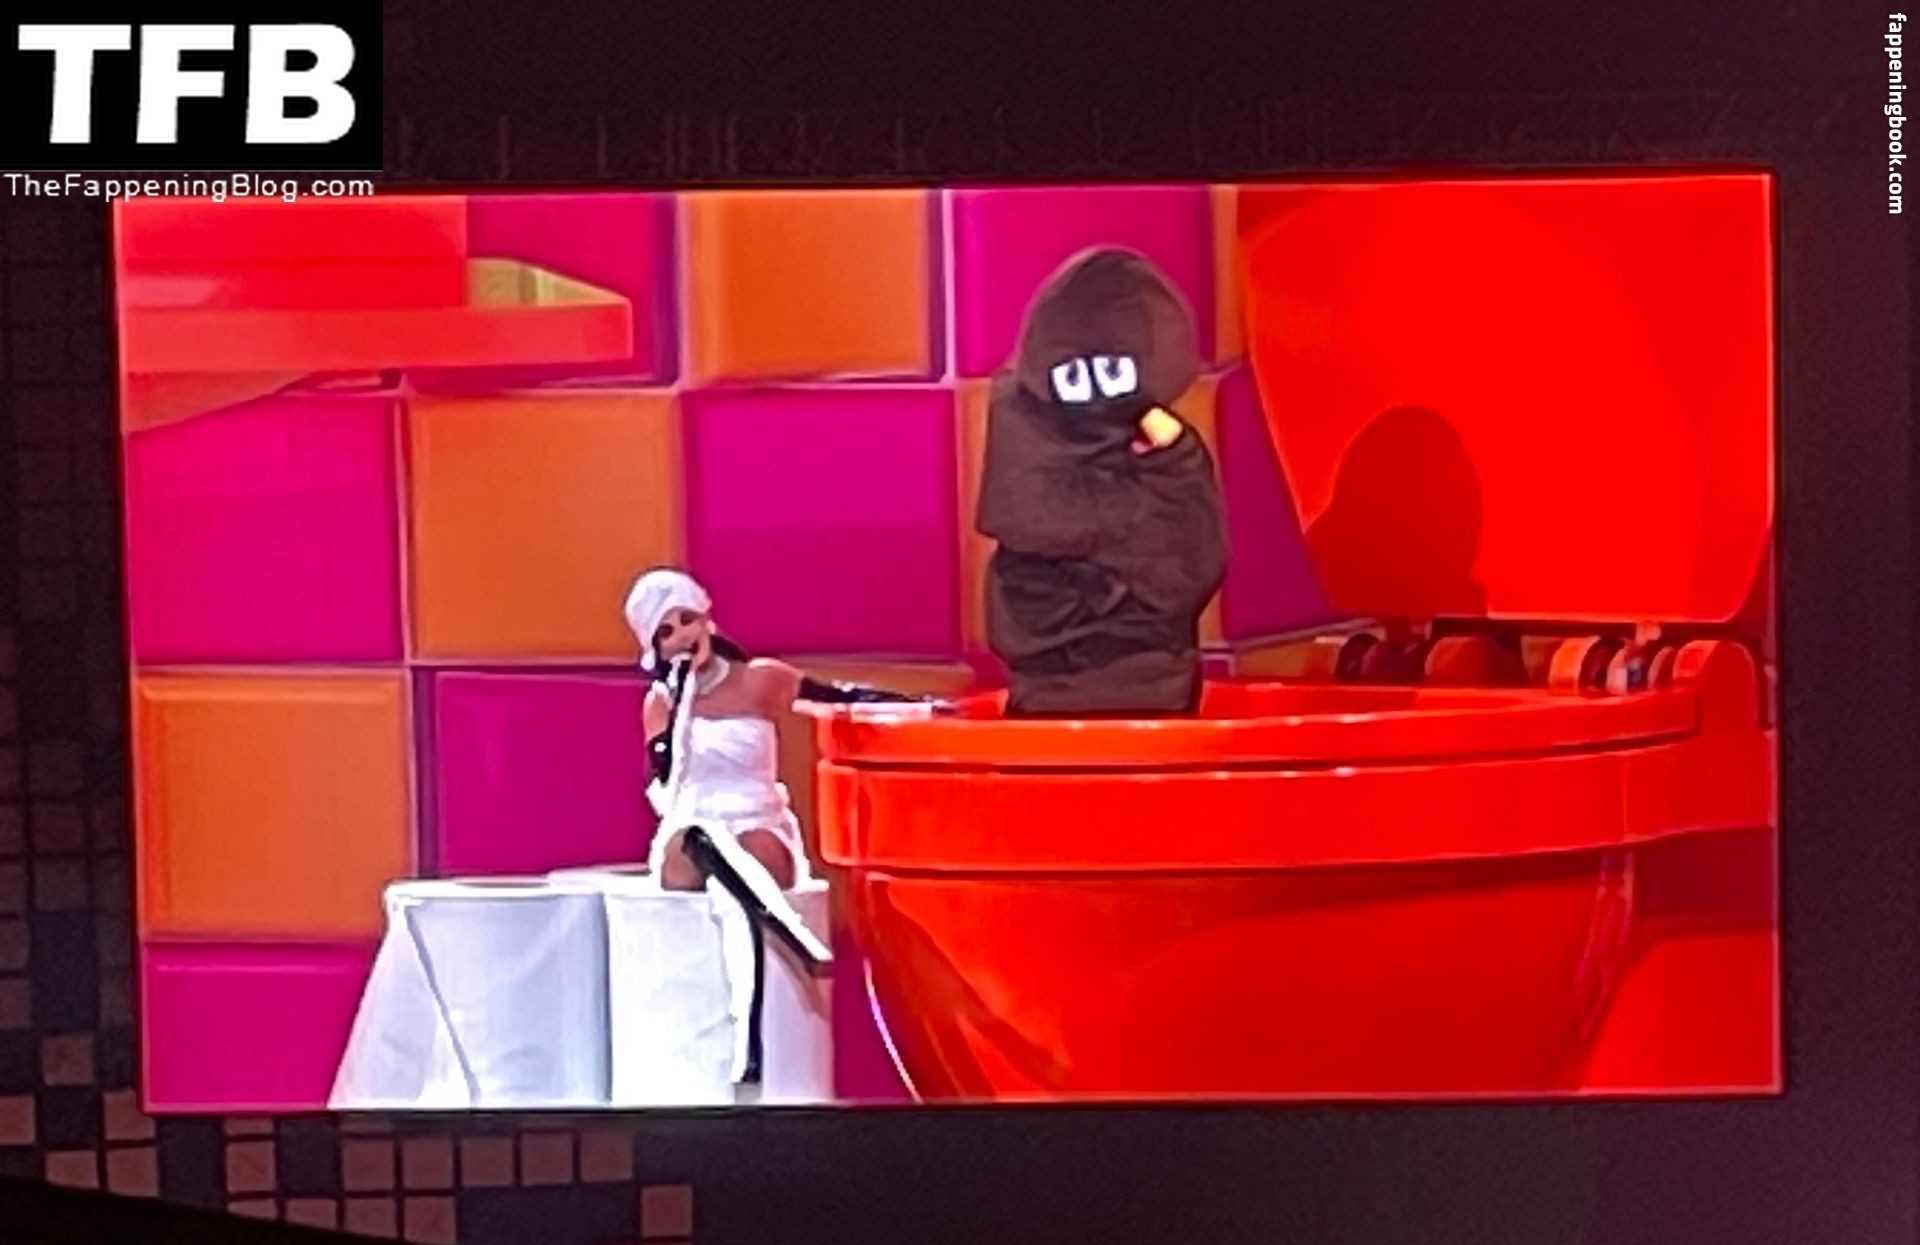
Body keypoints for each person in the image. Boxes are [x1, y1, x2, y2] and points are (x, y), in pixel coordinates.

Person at [624, 567, 932, 893]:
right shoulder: (661, 703)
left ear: (705, 621)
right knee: (685, 860)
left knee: (756, 859)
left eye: (687, 620)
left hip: (756, 817)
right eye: (667, 632)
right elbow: (663, 779)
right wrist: (679, 705)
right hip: (694, 820)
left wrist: (920, 707)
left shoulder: (760, 679)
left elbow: (837, 696)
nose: (683, 636)